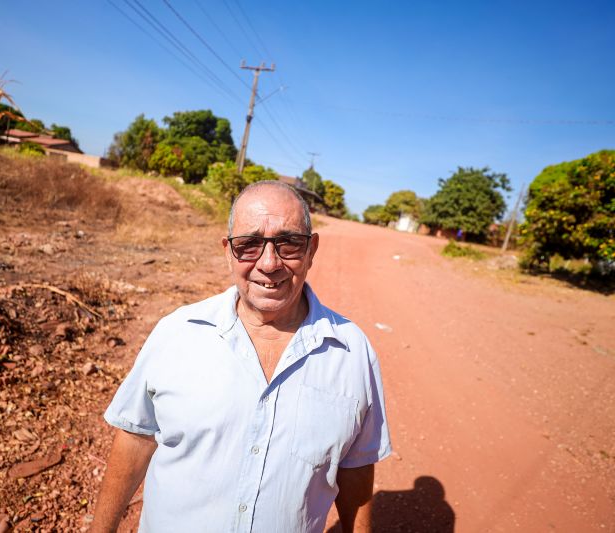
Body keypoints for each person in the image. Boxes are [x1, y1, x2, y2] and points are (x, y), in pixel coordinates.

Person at [92, 181, 391, 533]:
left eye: (289, 243)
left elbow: (356, 467)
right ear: (228, 252)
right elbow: (134, 438)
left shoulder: (352, 353)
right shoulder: (176, 334)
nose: (269, 263)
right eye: (248, 245)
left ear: (311, 250)